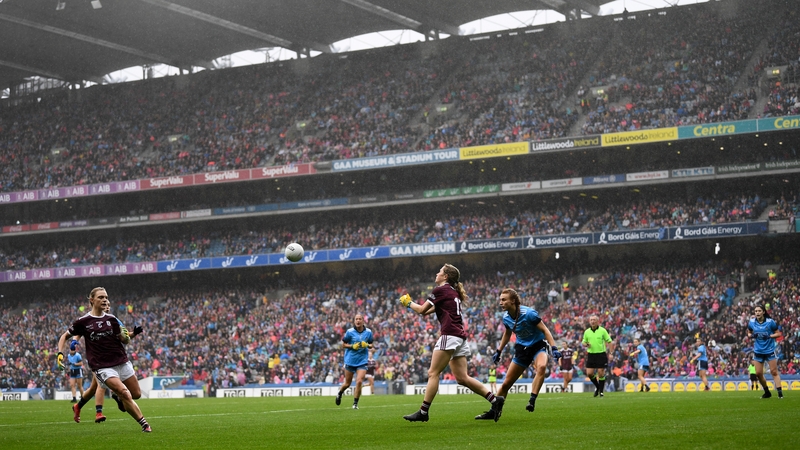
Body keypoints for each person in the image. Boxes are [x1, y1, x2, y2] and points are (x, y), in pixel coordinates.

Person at [399, 264, 503, 422]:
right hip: (460, 337)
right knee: (462, 378)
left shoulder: (440, 290)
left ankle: (423, 412)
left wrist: (408, 303)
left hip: (449, 335)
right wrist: (414, 306)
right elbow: (427, 312)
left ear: (445, 276)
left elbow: (421, 310)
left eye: (440, 272)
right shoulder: (453, 292)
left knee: (433, 373)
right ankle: (495, 401)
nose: (437, 273)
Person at [57, 287, 151, 432]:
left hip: (121, 361)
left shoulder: (112, 319)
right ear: (92, 300)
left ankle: (113, 400)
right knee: (121, 392)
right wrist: (60, 354)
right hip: (102, 366)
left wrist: (131, 334)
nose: (105, 300)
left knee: (136, 394)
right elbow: (65, 336)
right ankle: (144, 424)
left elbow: (123, 339)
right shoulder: (83, 321)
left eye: (106, 297)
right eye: (101, 297)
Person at [477, 288, 559, 420]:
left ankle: (532, 400)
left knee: (542, 367)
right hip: (522, 349)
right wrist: (499, 351)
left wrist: (554, 348)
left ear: (513, 301)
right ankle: (494, 411)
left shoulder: (529, 314)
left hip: (538, 345)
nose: (500, 302)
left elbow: (545, 329)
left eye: (503, 300)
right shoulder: (506, 317)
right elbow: (507, 333)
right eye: (500, 300)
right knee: (505, 385)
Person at [71, 302, 142, 424]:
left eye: (108, 305)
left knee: (94, 388)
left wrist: (134, 333)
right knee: (100, 386)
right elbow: (78, 332)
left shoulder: (114, 321)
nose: (106, 307)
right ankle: (99, 413)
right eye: (105, 304)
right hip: (98, 360)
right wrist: (74, 340)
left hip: (111, 359)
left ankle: (78, 406)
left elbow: (125, 337)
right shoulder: (90, 321)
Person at [335, 313, 373, 410]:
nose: (358, 321)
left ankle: (355, 404)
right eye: (356, 319)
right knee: (347, 384)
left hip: (362, 360)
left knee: (359, 381)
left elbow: (371, 345)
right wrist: (352, 346)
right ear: (354, 321)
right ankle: (340, 393)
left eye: (360, 319)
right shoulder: (349, 332)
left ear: (363, 321)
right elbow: (343, 345)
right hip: (350, 360)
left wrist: (367, 345)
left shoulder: (368, 332)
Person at [748, 304, 784, 399]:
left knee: (773, 372)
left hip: (769, 350)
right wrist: (751, 336)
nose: (757, 313)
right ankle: (767, 392)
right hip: (758, 351)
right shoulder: (752, 322)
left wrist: (769, 336)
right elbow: (749, 332)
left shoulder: (770, 322)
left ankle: (780, 392)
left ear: (763, 312)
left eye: (759, 311)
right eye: (756, 311)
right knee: (758, 373)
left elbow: (778, 333)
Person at [582, 315, 613, 397]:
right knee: (589, 374)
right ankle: (598, 387)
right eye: (591, 320)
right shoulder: (587, 332)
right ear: (589, 321)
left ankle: (601, 392)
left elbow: (609, 341)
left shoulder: (603, 330)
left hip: (601, 354)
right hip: (591, 354)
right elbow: (583, 342)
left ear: (597, 321)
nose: (592, 321)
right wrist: (586, 344)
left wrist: (611, 353)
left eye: (594, 320)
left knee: (600, 373)